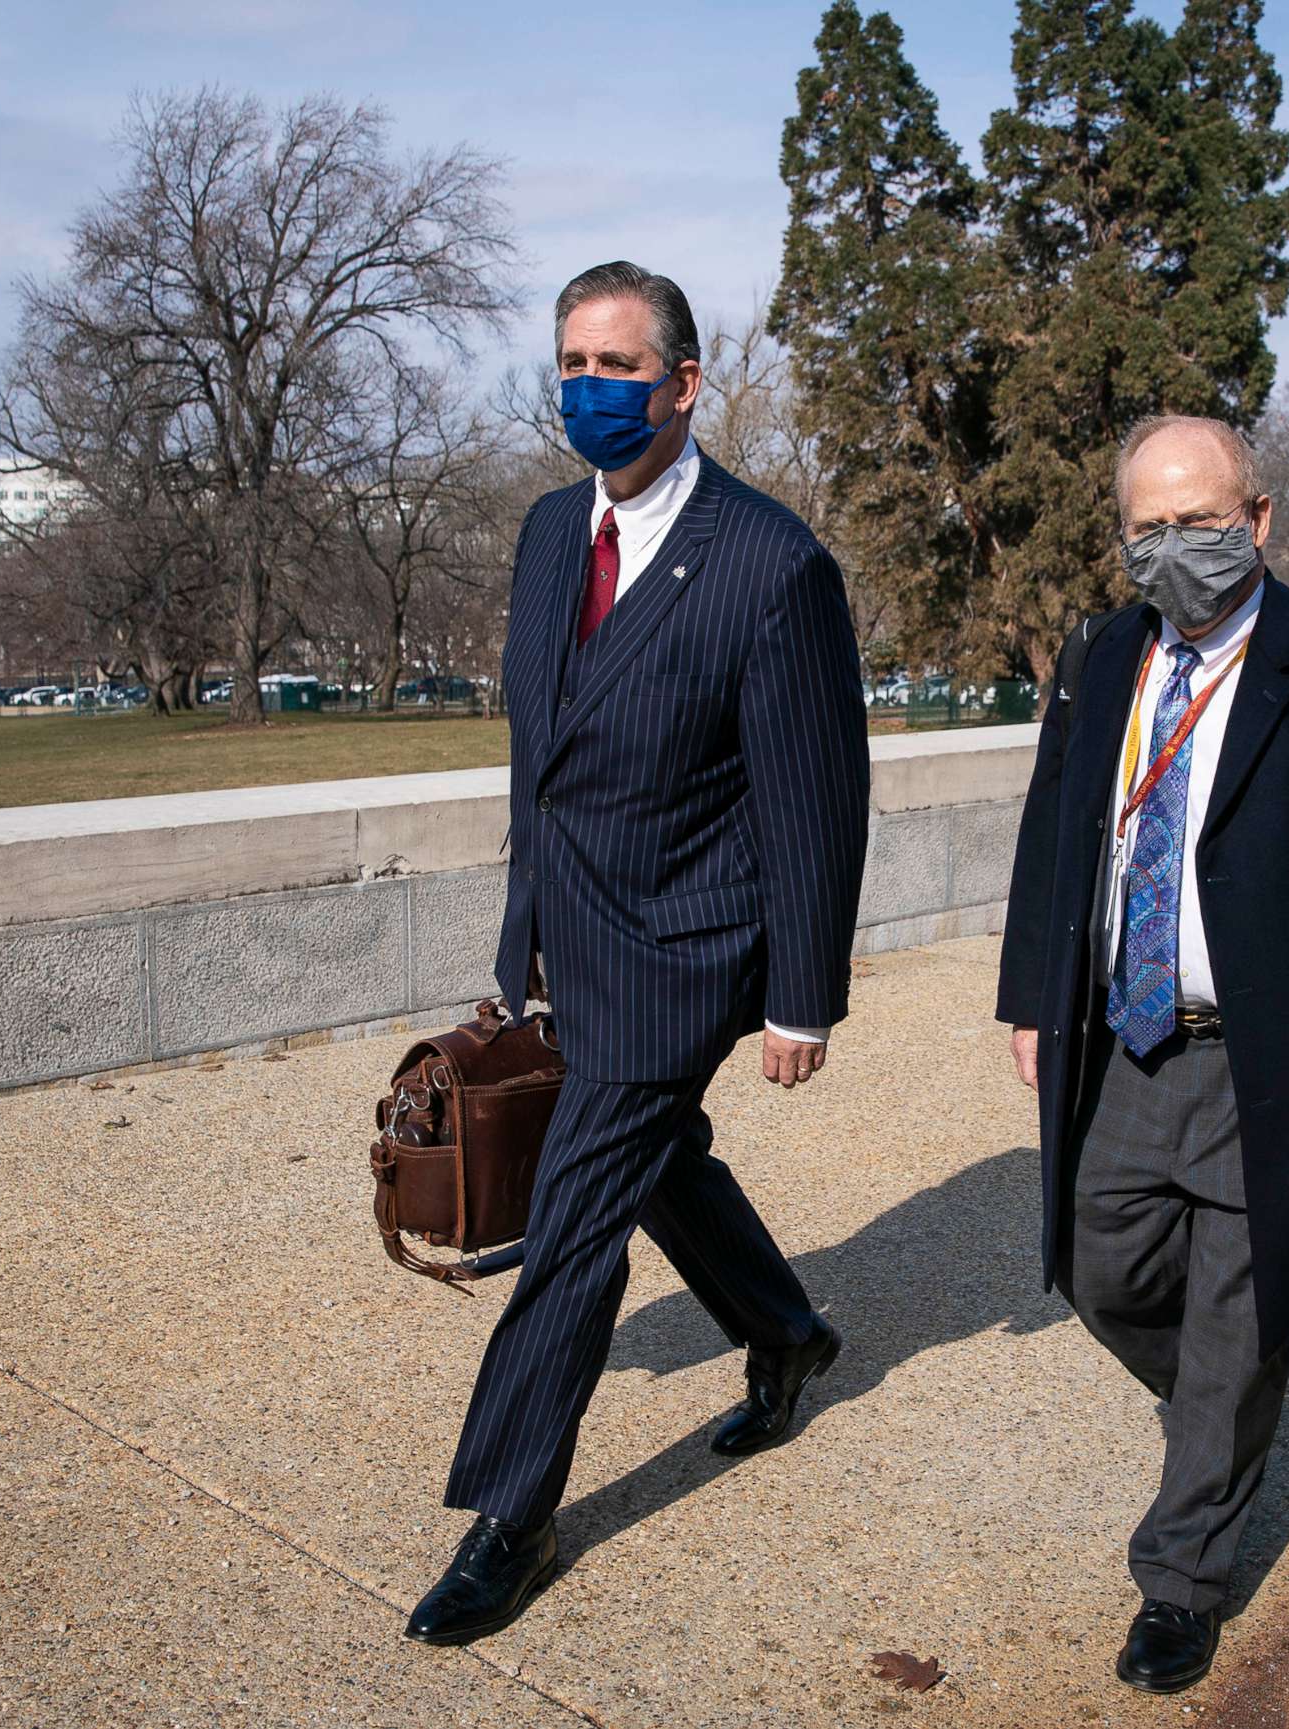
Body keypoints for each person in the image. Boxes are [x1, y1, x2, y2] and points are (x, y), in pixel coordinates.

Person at [404, 261, 871, 1645]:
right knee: (660, 1155)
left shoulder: (774, 565)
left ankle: (511, 1512)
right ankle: (786, 1332)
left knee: (576, 1212)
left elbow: (814, 798)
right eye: (570, 364)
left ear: (683, 385)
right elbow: (536, 758)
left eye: (617, 366)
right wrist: (521, 934)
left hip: (689, 944)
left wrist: (801, 994)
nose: (588, 390)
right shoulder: (552, 534)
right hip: (568, 932)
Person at [995, 416, 1289, 1694]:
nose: (1174, 549)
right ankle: (1228, 1400)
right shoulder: (1102, 656)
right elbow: (1058, 830)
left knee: (1236, 1309)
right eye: (1147, 528)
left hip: (1282, 1053)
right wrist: (1032, 999)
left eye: (1199, 522)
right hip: (1126, 1040)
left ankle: (1183, 1575)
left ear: (1257, 521)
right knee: (1101, 1264)